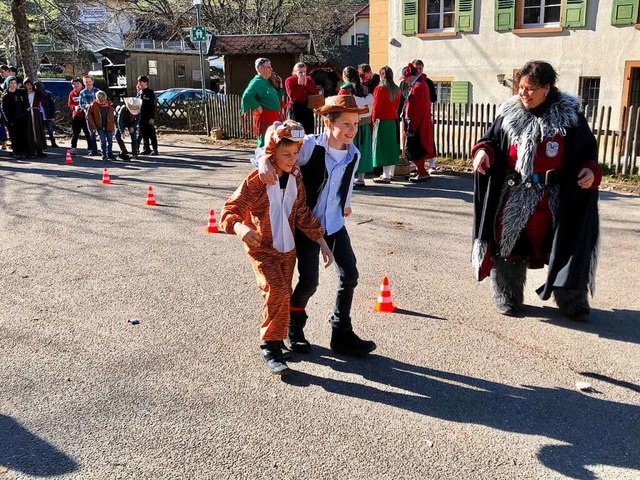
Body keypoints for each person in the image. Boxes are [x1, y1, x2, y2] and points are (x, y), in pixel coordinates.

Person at [471, 60, 601, 320]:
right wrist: (483, 151)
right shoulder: (509, 113)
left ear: (547, 88)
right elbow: (492, 140)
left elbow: (587, 152)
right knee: (509, 247)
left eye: (530, 88)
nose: (523, 94)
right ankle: (507, 296)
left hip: (556, 195)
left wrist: (590, 171)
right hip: (515, 193)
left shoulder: (570, 117)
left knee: (567, 246)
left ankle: (572, 301)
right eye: (520, 87)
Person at [256, 95, 377, 357]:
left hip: (334, 225)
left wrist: (346, 203)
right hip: (306, 225)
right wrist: (265, 158)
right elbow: (274, 132)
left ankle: (341, 332)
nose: (352, 130)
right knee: (309, 282)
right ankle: (294, 329)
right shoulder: (309, 146)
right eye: (345, 124)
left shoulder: (353, 154)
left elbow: (345, 185)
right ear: (328, 122)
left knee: (350, 275)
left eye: (355, 124)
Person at [220, 120, 333, 375]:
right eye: (285, 154)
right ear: (272, 151)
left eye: (295, 153)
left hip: (287, 250)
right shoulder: (258, 179)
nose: (292, 159)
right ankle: (270, 346)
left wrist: (322, 242)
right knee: (278, 290)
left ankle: (279, 337)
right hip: (262, 247)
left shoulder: (296, 177)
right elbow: (229, 210)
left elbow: (302, 213)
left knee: (279, 294)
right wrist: (240, 228)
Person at [338, 66, 373, 188]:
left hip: (349, 124)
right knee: (363, 150)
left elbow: (341, 106)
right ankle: (361, 178)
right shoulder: (364, 88)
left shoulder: (344, 90)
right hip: (364, 123)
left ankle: (350, 178)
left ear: (345, 76)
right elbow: (369, 101)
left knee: (349, 151)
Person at [401, 63, 435, 182]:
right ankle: (421, 171)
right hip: (417, 122)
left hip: (416, 123)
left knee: (413, 148)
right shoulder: (418, 84)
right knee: (415, 148)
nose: (404, 80)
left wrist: (412, 127)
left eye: (405, 78)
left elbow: (417, 108)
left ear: (409, 76)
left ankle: (422, 171)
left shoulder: (418, 86)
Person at [241, 58, 284, 147]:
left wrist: (280, 88)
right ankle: (261, 160)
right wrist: (257, 107)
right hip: (265, 119)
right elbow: (247, 95)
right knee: (264, 143)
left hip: (273, 118)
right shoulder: (257, 82)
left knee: (272, 143)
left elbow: (274, 99)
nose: (271, 69)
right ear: (261, 69)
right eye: (268, 67)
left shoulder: (266, 82)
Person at [371, 66, 401, 184]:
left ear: (381, 75)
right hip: (393, 120)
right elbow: (397, 106)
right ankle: (389, 173)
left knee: (381, 148)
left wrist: (373, 121)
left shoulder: (380, 89)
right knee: (390, 147)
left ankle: (385, 175)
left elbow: (376, 107)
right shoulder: (397, 89)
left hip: (382, 120)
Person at [412, 59, 438, 172]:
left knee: (428, 139)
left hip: (425, 115)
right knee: (413, 141)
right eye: (416, 68)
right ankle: (413, 163)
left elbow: (434, 98)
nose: (418, 70)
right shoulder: (408, 81)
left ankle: (432, 164)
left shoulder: (428, 82)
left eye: (420, 68)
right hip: (412, 115)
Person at [285, 62, 319, 134]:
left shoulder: (308, 79)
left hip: (307, 107)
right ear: (295, 72)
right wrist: (300, 85)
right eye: (300, 72)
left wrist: (306, 85)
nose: (303, 74)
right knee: (296, 131)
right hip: (295, 107)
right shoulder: (289, 80)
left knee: (309, 131)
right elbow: (292, 96)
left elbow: (315, 92)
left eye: (304, 72)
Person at [0, 76, 29, 159]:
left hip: (22, 118)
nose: (13, 85)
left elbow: (26, 103)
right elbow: (3, 109)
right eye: (11, 83)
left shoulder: (21, 92)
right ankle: (16, 152)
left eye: (14, 83)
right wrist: (7, 121)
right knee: (14, 136)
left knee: (23, 135)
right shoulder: (6, 95)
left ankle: (24, 151)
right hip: (12, 120)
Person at [87, 91, 116, 161]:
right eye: (100, 102)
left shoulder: (109, 105)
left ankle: (110, 153)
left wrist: (112, 127)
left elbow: (112, 117)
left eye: (104, 101)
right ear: (97, 99)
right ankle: (104, 155)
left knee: (110, 140)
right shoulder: (92, 106)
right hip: (99, 126)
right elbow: (89, 117)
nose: (102, 103)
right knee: (103, 141)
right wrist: (94, 127)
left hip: (108, 126)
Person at [23, 78, 47, 158]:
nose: (29, 87)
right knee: (29, 132)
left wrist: (38, 85)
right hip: (28, 114)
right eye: (27, 85)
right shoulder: (23, 94)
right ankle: (31, 151)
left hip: (36, 113)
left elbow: (44, 95)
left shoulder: (36, 93)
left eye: (30, 85)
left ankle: (39, 150)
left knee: (38, 131)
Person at [67, 77, 91, 154]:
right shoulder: (72, 93)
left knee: (88, 133)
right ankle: (73, 147)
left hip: (85, 116)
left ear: (81, 84)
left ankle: (90, 148)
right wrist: (74, 107)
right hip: (76, 116)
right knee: (75, 133)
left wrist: (83, 107)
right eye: (74, 84)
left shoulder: (85, 92)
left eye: (77, 84)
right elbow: (70, 104)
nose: (76, 85)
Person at [79, 74, 101, 156]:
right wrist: (87, 106)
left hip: (98, 114)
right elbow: (81, 103)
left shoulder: (97, 91)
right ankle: (93, 150)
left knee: (101, 132)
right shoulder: (82, 92)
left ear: (92, 82)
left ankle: (104, 150)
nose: (88, 83)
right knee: (91, 133)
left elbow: (101, 102)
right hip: (88, 115)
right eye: (86, 82)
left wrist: (94, 106)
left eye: (89, 81)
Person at [136, 75, 158, 156]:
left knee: (151, 133)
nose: (139, 83)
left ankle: (155, 149)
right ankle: (146, 149)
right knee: (143, 133)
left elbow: (153, 106)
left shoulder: (150, 92)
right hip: (141, 116)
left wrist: (152, 117)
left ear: (145, 82)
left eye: (140, 82)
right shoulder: (139, 93)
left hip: (148, 116)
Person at [34, 81, 58, 148]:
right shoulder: (35, 94)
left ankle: (53, 142)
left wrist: (53, 115)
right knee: (41, 130)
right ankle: (43, 143)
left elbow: (52, 105)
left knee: (50, 129)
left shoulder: (47, 93)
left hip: (46, 114)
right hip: (39, 114)